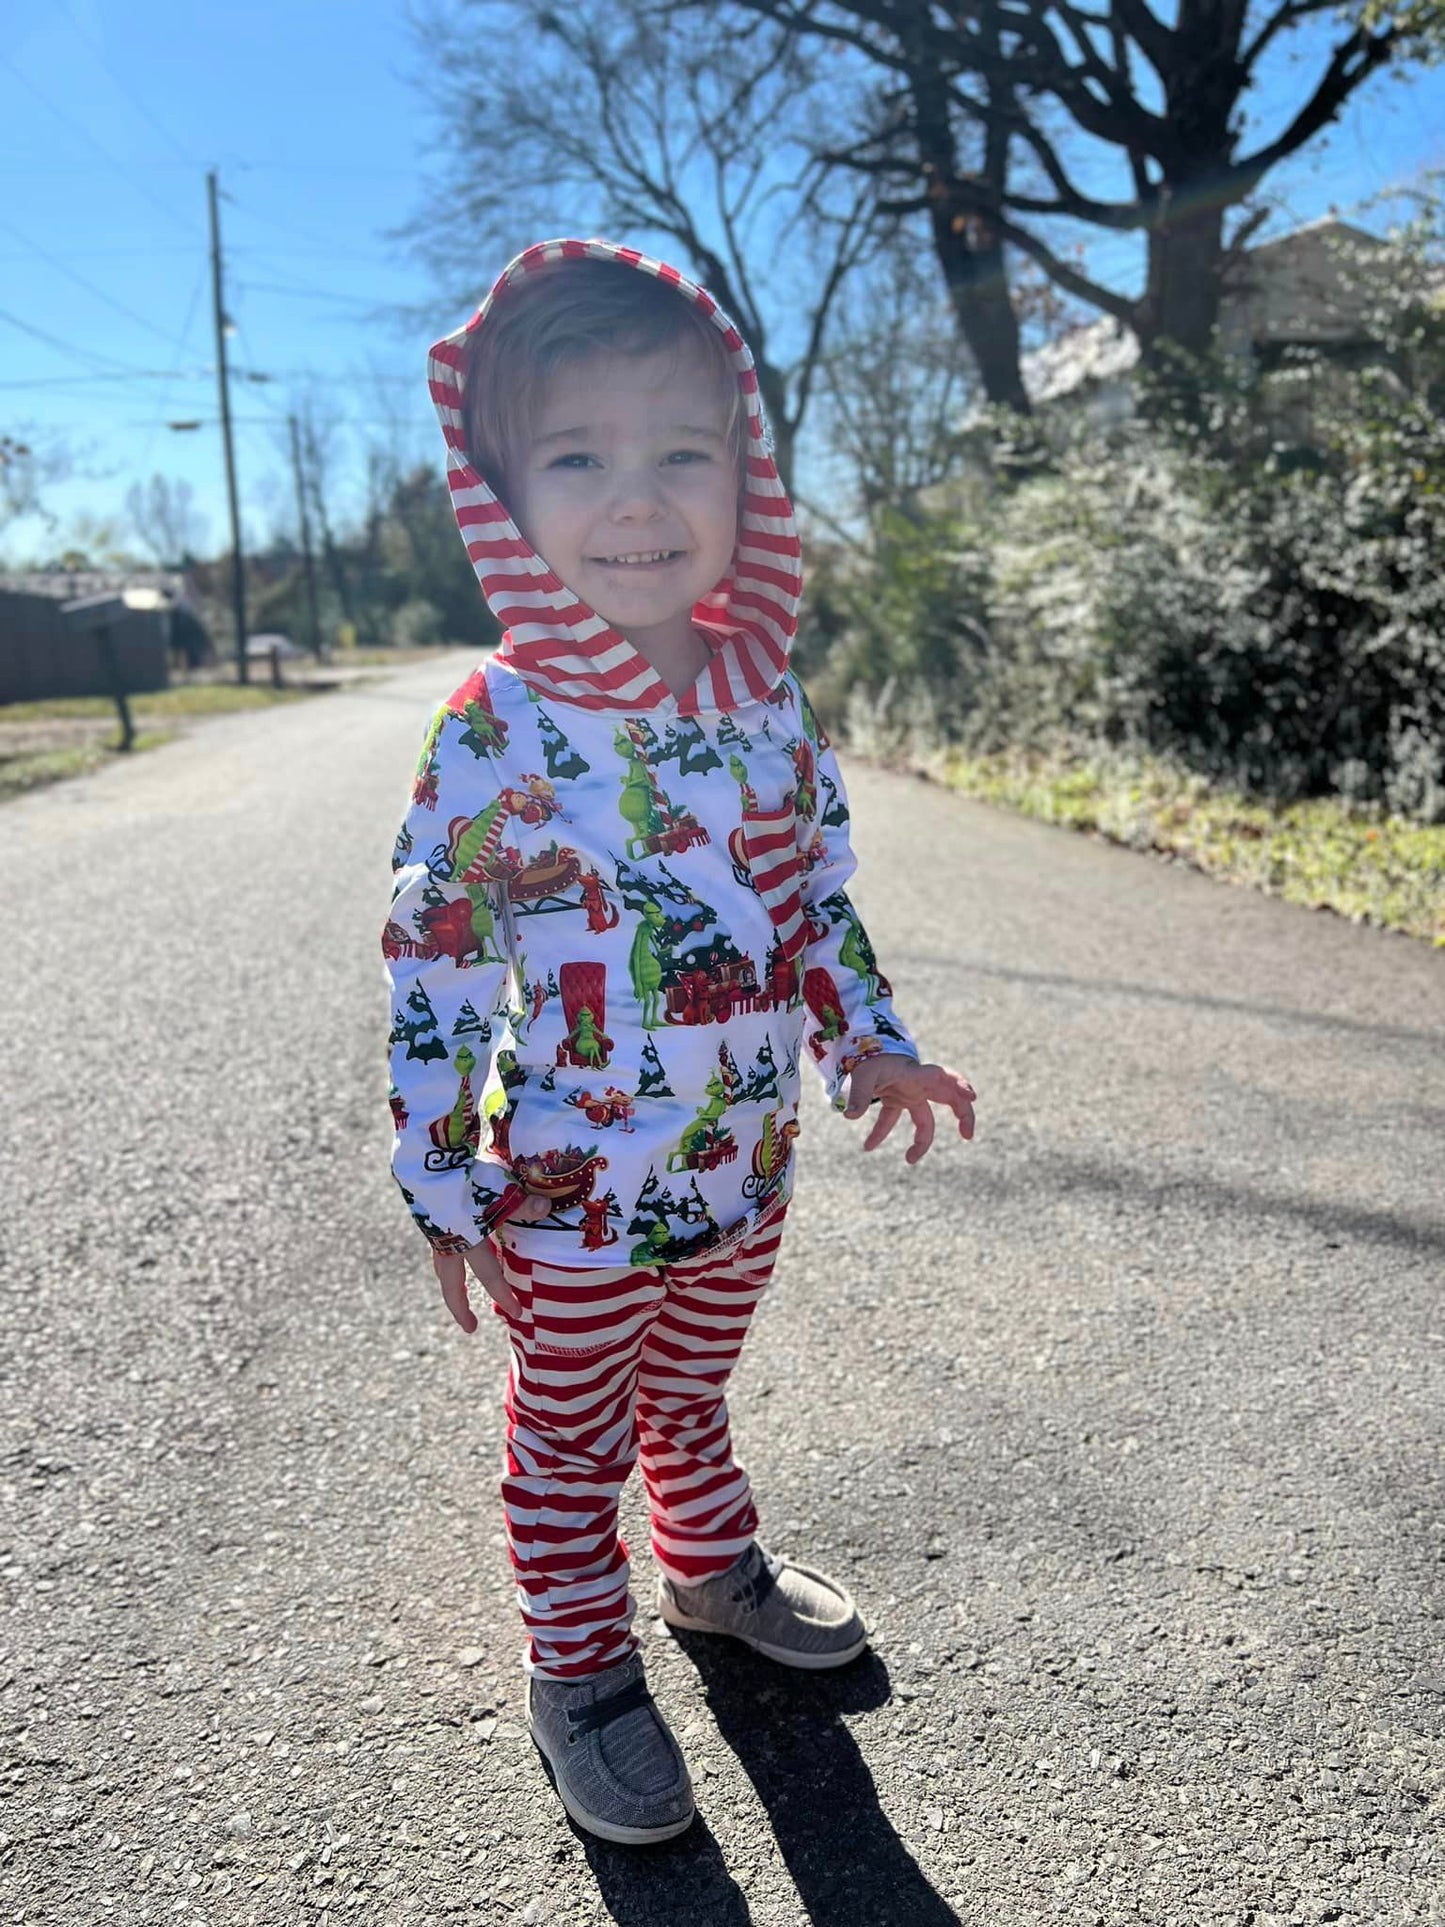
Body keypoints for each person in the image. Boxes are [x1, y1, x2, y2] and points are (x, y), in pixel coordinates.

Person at [383, 237, 976, 1846]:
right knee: (568, 1434)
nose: (635, 501)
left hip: (744, 1166)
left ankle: (708, 1575)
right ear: (503, 490)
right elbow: (439, 958)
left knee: (694, 1386)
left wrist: (875, 1040)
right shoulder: (498, 725)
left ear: (746, 479)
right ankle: (576, 1665)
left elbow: (812, 901)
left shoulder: (762, 697)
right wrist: (442, 1181)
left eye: (679, 453)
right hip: (569, 1189)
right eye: (576, 456)